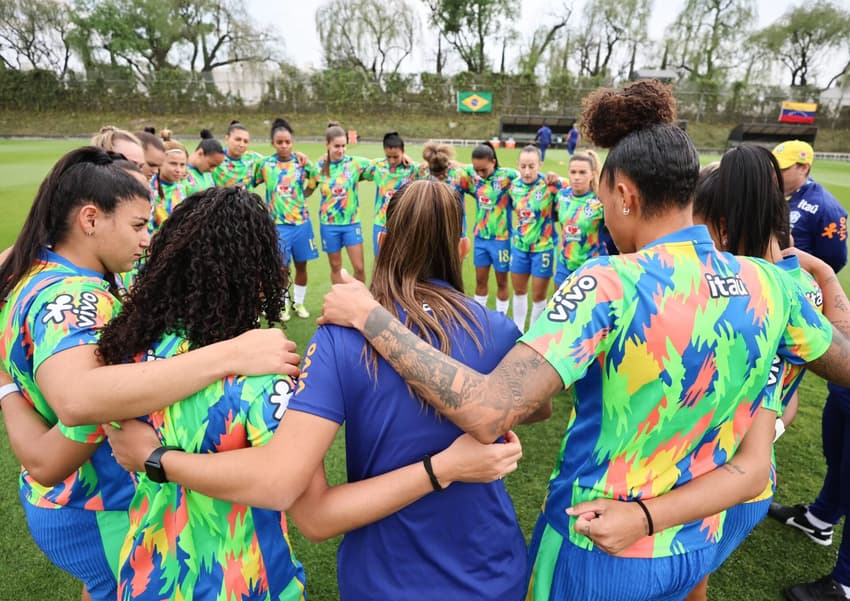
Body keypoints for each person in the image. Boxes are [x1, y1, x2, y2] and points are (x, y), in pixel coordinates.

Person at [315, 80, 850, 601]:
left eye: (602, 202)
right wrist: (827, 283)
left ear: (624, 194)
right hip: (694, 544)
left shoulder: (609, 283)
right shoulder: (772, 285)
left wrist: (371, 317)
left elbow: (487, 411)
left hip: (597, 546)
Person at [0, 147, 297, 601]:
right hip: (97, 503)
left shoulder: (30, 268)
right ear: (90, 219)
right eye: (139, 225)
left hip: (71, 502)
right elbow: (76, 405)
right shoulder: (80, 299)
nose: (147, 240)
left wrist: (6, 387)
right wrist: (229, 354)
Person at [93, 187, 306, 600]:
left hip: (148, 574)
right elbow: (282, 484)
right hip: (248, 581)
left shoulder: (124, 352)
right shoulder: (263, 368)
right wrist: (160, 460)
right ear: (257, 272)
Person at [768, 140, 850, 601]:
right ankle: (821, 517)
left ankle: (846, 580)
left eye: (785, 168)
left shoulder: (827, 206)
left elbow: (831, 265)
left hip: (811, 303)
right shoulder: (783, 199)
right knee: (837, 435)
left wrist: (814, 279)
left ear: (805, 165)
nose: (780, 176)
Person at [254, 118, 320, 321]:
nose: (284, 146)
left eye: (287, 142)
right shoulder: (265, 165)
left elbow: (315, 181)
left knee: (302, 265)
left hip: (301, 223)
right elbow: (251, 182)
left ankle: (298, 303)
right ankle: (282, 304)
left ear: (292, 142)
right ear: (273, 143)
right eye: (279, 142)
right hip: (277, 226)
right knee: (281, 268)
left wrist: (305, 193)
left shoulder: (301, 163)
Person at [773, 140, 847, 274]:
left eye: (782, 169)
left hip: (799, 287)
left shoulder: (825, 207)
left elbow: (835, 260)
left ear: (804, 168)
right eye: (772, 168)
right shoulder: (772, 193)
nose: (774, 173)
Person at [509, 145, 559, 332]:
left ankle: (533, 334)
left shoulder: (550, 185)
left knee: (539, 296)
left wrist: (554, 176)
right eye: (523, 166)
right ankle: (517, 331)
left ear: (540, 165)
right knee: (519, 291)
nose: (527, 171)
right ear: (518, 165)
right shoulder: (513, 186)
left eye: (532, 166)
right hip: (519, 247)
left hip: (543, 248)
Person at [464, 142, 519, 314]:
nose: (479, 174)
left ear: (493, 162)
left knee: (502, 282)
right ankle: (479, 315)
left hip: (501, 240)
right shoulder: (474, 176)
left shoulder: (508, 176)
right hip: (480, 238)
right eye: (476, 169)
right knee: (480, 281)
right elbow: (456, 166)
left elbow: (528, 178)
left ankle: (501, 317)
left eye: (483, 170)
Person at [315, 122, 371, 283]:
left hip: (351, 224)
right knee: (335, 267)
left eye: (343, 146)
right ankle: (339, 304)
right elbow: (306, 186)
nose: (341, 150)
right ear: (327, 145)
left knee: (359, 268)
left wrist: (404, 157)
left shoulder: (355, 163)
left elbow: (382, 166)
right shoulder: (318, 166)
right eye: (336, 146)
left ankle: (358, 302)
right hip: (329, 224)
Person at [553, 150, 605, 288]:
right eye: (573, 172)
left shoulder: (600, 201)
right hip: (565, 263)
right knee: (558, 306)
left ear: (592, 174)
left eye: (582, 173)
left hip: (591, 266)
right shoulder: (561, 196)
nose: (576, 177)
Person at [362, 131, 419, 253]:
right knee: (380, 263)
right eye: (388, 157)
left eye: (396, 157)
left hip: (404, 223)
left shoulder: (411, 168)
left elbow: (430, 171)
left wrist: (411, 160)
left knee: (403, 262)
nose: (392, 160)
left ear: (403, 152)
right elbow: (357, 172)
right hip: (381, 223)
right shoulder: (377, 166)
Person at [149, 140, 188, 234]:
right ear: (160, 163)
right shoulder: (150, 189)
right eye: (173, 164)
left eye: (182, 165)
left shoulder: (182, 187)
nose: (178, 170)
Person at [212, 120, 264, 188]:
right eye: (238, 140)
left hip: (246, 198)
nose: (242, 144)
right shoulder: (214, 159)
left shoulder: (254, 158)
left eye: (245, 141)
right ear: (227, 138)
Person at [184, 129, 225, 195]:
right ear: (200, 153)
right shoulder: (181, 173)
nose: (212, 170)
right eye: (211, 165)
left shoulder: (206, 173)